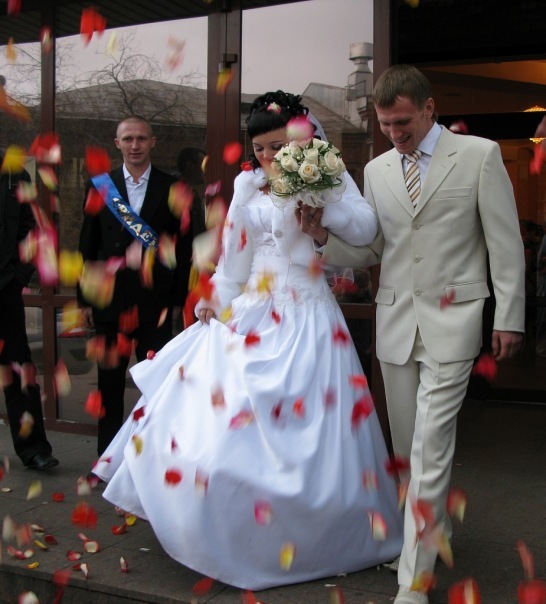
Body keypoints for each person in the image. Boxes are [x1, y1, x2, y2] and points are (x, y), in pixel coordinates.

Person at [92, 90, 403, 590]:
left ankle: (315, 536)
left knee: (311, 439)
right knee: (218, 431)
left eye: (277, 146)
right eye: (259, 149)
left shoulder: (326, 173)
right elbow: (235, 256)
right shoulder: (246, 185)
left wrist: (323, 211)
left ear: (301, 140)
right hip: (253, 311)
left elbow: (366, 230)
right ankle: (226, 532)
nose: (267, 157)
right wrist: (216, 297)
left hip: (307, 315)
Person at [311, 65, 525, 604]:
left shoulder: (480, 155)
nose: (394, 133)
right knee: (408, 455)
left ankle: (414, 579)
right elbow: (373, 248)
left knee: (429, 452)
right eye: (385, 124)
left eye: (403, 122)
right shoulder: (377, 168)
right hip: (396, 324)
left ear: (429, 108)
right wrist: (321, 239)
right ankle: (431, 533)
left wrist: (510, 316)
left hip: (454, 322)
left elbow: (505, 243)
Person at [78, 115, 193, 457]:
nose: (135, 145)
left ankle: (152, 462)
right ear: (117, 144)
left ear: (153, 142)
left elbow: (183, 249)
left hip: (155, 303)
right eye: (128, 139)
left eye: (141, 138)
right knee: (109, 387)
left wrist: (178, 300)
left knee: (156, 386)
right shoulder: (100, 186)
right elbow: (88, 246)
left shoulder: (173, 187)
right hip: (109, 301)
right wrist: (86, 299)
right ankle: (107, 460)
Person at [0, 151, 59, 470]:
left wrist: (17, 277)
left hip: (4, 289)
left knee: (19, 369)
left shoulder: (14, 175)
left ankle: (34, 449)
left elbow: (32, 231)